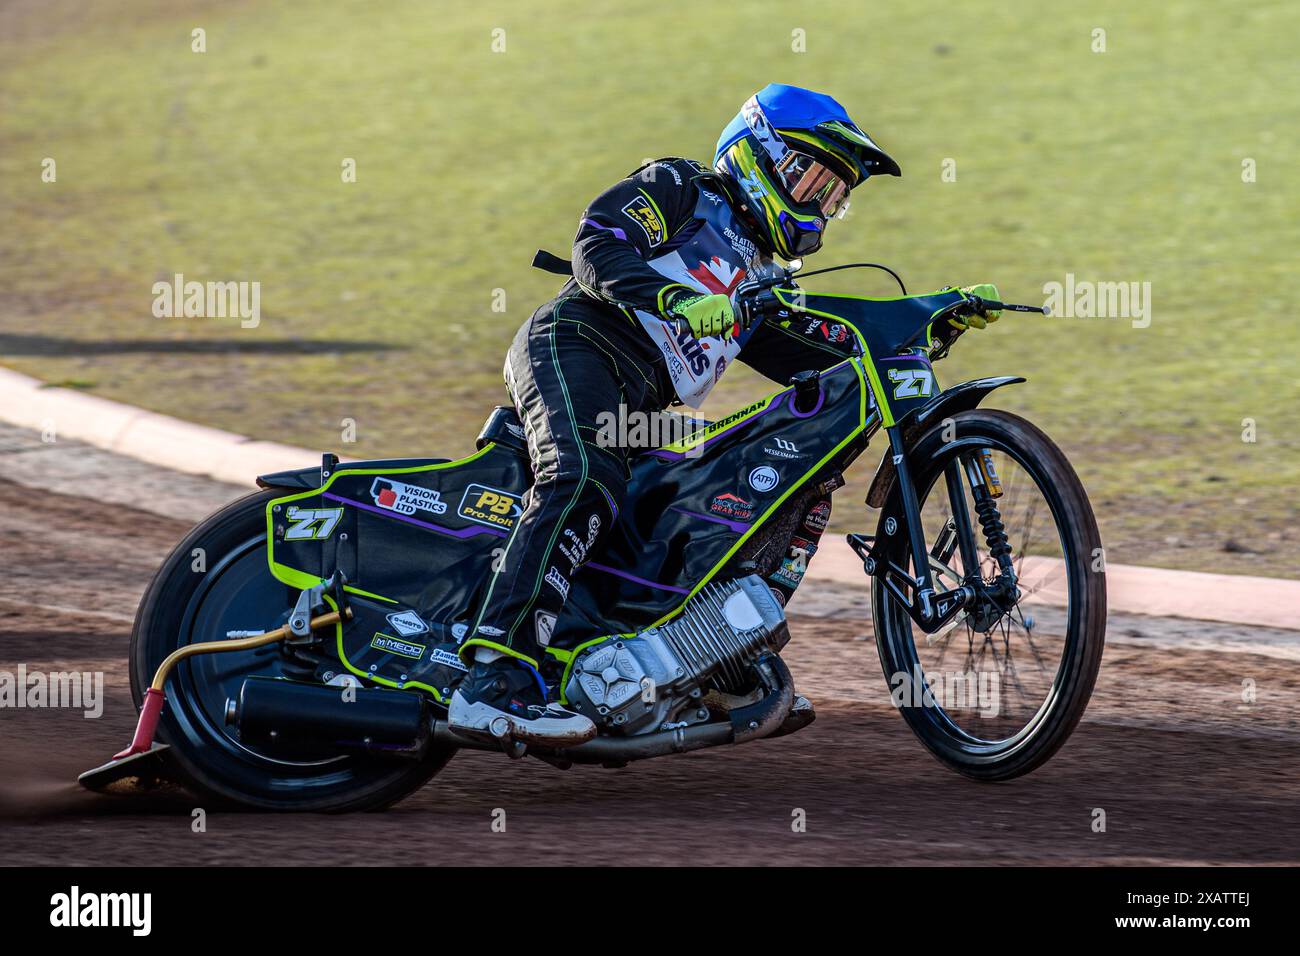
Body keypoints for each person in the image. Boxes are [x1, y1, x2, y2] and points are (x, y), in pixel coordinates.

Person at [449, 83, 1000, 745]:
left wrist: (930, 315)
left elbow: (822, 355)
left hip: (641, 407)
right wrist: (679, 299)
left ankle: (699, 659)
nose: (820, 203)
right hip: (575, 346)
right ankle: (491, 682)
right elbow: (596, 247)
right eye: (813, 178)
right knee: (584, 477)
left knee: (736, 490)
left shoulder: (760, 281)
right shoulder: (681, 184)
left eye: (835, 195)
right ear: (759, 153)